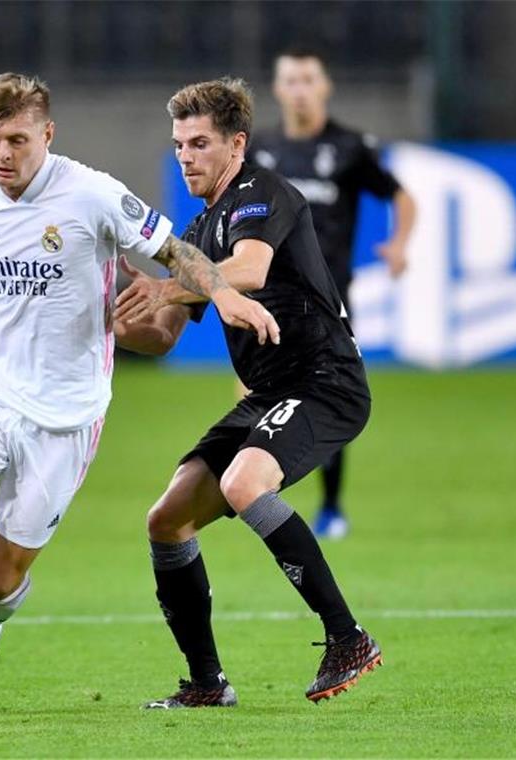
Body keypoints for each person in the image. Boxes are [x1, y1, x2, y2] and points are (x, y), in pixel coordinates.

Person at [0, 72, 277, 723]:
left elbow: (173, 250)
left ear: (47, 133)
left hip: (67, 417)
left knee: (1, 575)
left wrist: (223, 292)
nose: (3, 154)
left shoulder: (94, 195)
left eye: (17, 139)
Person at [112, 77, 383, 709]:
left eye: (200, 142)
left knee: (243, 483)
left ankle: (348, 638)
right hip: (269, 392)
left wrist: (165, 286)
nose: (185, 156)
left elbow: (251, 270)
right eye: (179, 144)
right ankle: (208, 685)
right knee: (167, 520)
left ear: (236, 143)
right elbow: (163, 337)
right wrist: (116, 317)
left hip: (324, 380)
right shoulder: (196, 228)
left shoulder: (262, 191)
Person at [246, 47, 416, 540]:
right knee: (254, 394)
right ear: (278, 90)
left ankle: (332, 506)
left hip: (330, 300)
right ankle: (253, 490)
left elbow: (401, 196)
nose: (299, 89)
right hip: (270, 296)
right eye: (290, 80)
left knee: (329, 395)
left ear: (324, 87)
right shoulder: (260, 151)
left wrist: (400, 244)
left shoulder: (349, 148)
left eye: (308, 80)